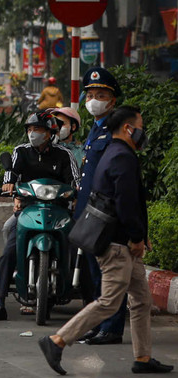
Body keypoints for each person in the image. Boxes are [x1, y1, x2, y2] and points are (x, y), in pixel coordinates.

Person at [38, 107, 171, 376]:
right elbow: (126, 202)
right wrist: (136, 237)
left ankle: (143, 358)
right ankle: (57, 341)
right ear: (128, 129)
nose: (143, 131)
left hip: (121, 243)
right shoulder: (122, 157)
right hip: (117, 245)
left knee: (142, 300)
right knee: (109, 302)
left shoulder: (112, 153)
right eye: (140, 125)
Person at [0, 112, 78, 321]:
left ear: (50, 133)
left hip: (58, 211)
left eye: (39, 130)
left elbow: (75, 180)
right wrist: (9, 184)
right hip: (28, 209)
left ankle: (79, 286)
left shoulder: (64, 155)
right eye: (30, 129)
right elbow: (11, 173)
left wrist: (76, 191)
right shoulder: (21, 152)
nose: (33, 134)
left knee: (78, 244)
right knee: (9, 247)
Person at [74, 67, 127, 343]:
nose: (94, 99)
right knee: (94, 272)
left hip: (106, 212)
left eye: (101, 94)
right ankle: (100, 323)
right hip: (90, 211)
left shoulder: (116, 130)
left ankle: (112, 327)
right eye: (90, 94)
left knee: (109, 274)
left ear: (112, 100)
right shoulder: (94, 129)